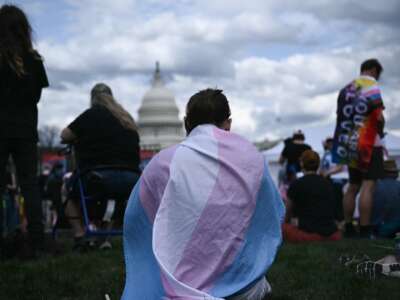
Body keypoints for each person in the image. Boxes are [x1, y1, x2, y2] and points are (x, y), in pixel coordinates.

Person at [122, 89, 285, 300]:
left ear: (185, 123)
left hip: (179, 288)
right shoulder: (253, 159)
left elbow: (138, 220)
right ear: (228, 123)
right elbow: (272, 215)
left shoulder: (163, 163)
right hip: (245, 288)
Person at [60, 83, 141, 250]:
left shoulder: (92, 115)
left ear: (93, 99)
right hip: (132, 179)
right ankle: (105, 238)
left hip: (98, 176)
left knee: (67, 190)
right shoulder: (127, 119)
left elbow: (64, 135)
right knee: (114, 196)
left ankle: (80, 235)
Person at [0, 5, 49, 257]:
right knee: (30, 186)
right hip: (25, 131)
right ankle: (37, 241)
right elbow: (36, 97)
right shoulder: (35, 60)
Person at [332, 58, 385, 238]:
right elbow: (379, 117)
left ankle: (348, 226)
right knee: (368, 186)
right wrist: (381, 132)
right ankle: (364, 229)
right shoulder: (371, 84)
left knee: (353, 185)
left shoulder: (346, 89)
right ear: (372, 70)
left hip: (348, 143)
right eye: (378, 74)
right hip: (368, 144)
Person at [283, 150, 341, 242]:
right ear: (318, 164)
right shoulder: (328, 184)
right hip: (331, 233)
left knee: (283, 227)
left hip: (307, 232)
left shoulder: (296, 184)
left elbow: (287, 215)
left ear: (302, 164)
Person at [319, 137, 347, 222]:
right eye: (329, 143)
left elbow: (340, 167)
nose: (330, 144)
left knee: (337, 196)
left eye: (332, 143)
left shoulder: (340, 152)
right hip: (328, 180)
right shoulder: (326, 154)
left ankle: (339, 218)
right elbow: (321, 167)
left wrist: (327, 173)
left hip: (339, 180)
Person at [371, 160, 400, 238]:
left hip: (375, 229)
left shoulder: (372, 187)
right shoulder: (398, 185)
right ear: (396, 173)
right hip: (393, 228)